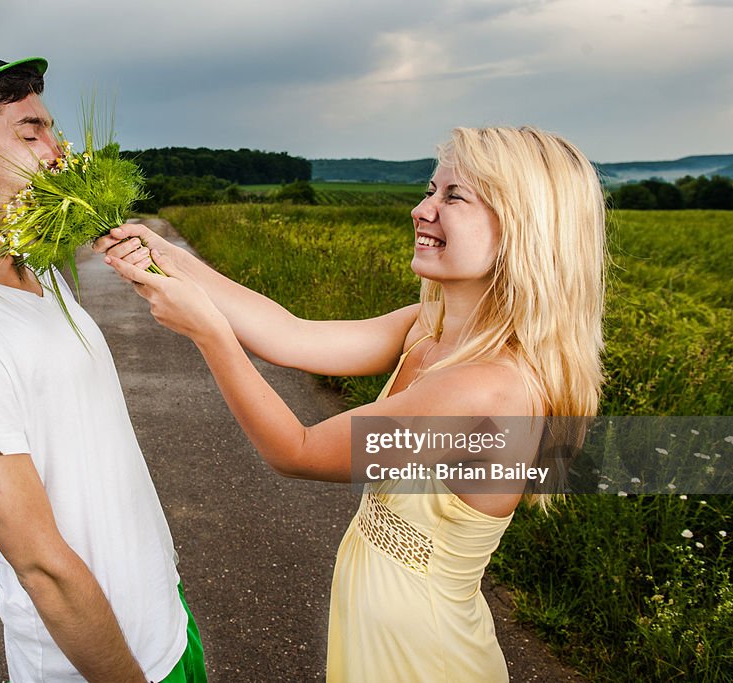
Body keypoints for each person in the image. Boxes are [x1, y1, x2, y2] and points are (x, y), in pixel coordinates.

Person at [99, 126, 605, 682]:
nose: (421, 210)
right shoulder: (425, 329)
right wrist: (166, 256)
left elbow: (299, 450)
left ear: (525, 228)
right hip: (383, 633)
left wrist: (209, 335)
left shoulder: (485, 389)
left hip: (423, 657)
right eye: (429, 190)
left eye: (453, 197)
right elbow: (290, 335)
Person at [0, 43, 206, 682]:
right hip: (97, 666)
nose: (57, 149)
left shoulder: (40, 274)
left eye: (52, 128)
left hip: (165, 623)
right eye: (31, 132)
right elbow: (41, 567)